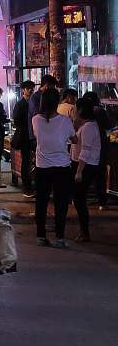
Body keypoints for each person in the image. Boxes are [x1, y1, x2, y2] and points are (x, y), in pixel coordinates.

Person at [32, 87, 75, 248]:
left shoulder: (35, 119)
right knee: (61, 203)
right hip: (61, 167)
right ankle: (59, 238)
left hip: (42, 166)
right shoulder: (65, 120)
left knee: (41, 202)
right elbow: (74, 139)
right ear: (57, 102)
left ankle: (40, 236)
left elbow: (38, 136)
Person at [71, 97, 102, 243]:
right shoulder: (85, 125)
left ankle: (85, 232)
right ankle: (83, 231)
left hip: (86, 166)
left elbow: (85, 151)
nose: (74, 110)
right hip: (83, 164)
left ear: (81, 110)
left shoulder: (89, 127)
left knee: (80, 199)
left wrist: (79, 171)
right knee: (78, 199)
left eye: (76, 108)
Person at [10, 80, 35, 193]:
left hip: (35, 136)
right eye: (28, 88)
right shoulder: (20, 104)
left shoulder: (35, 103)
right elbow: (16, 120)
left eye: (32, 88)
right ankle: (27, 186)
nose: (30, 90)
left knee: (35, 161)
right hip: (25, 137)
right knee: (26, 161)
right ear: (23, 90)